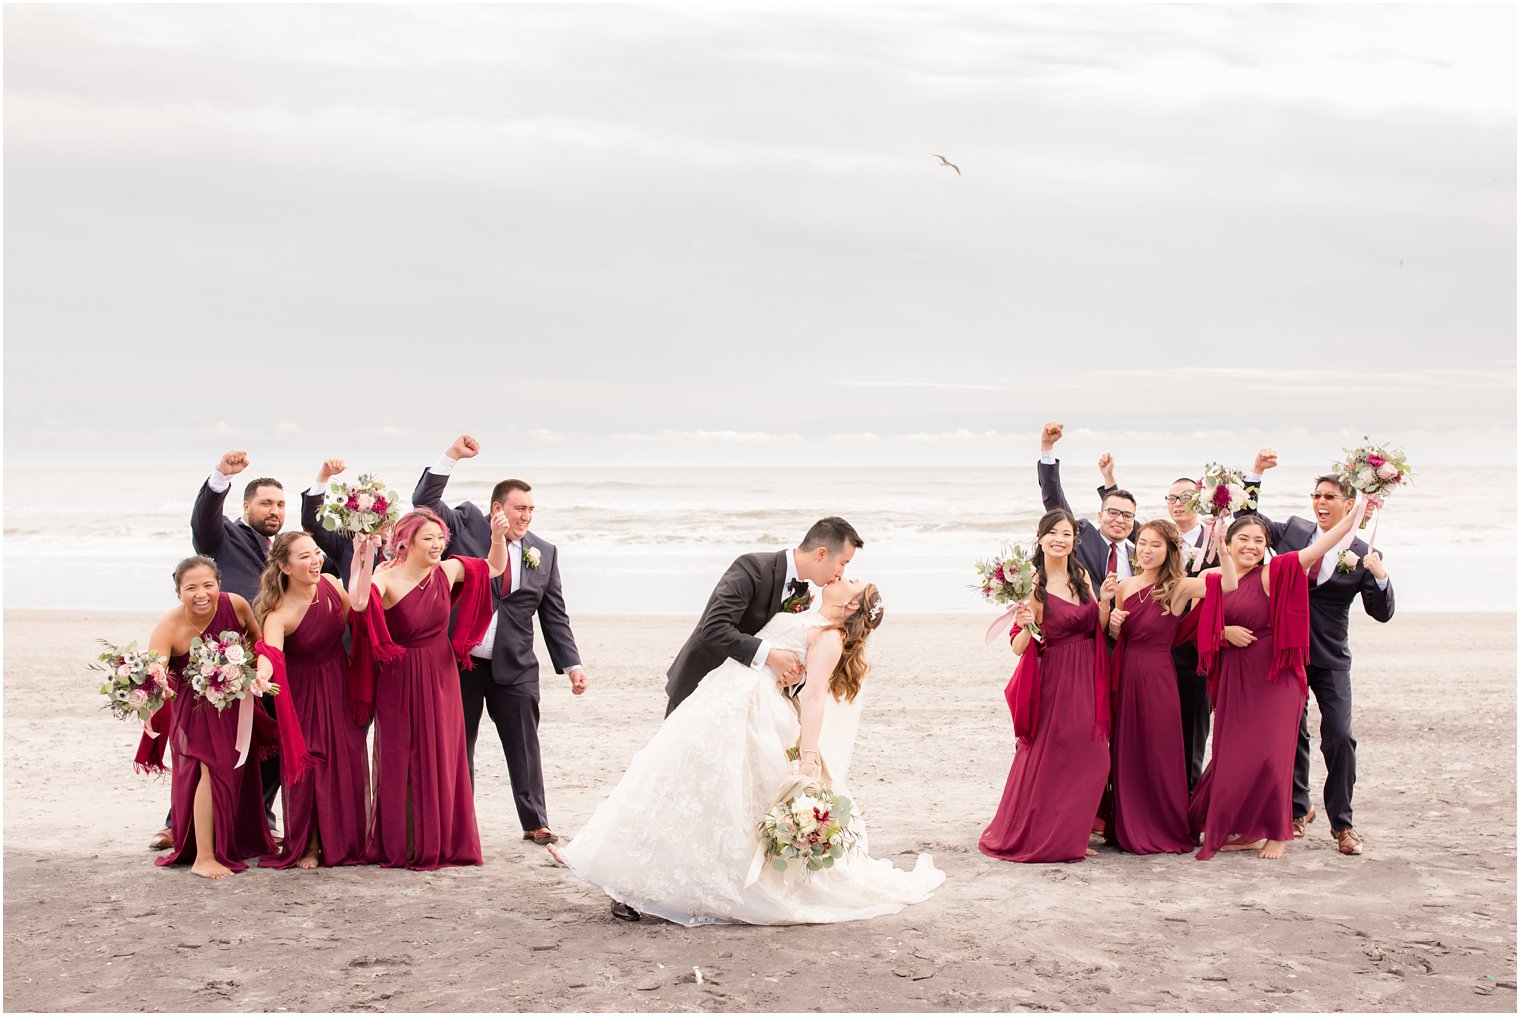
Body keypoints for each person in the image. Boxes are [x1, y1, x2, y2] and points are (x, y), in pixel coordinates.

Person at [554, 578, 943, 925]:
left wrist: (808, 757)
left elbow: (813, 698)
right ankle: (614, 864)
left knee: (726, 801)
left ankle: (665, 884)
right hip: (719, 699)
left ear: (854, 605)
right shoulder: (804, 611)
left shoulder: (829, 637)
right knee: (672, 780)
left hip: (755, 714)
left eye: (853, 580)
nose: (843, 575)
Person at [409, 435, 591, 846]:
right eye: (518, 508)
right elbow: (423, 503)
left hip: (516, 666)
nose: (525, 516)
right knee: (458, 745)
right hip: (463, 663)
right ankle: (460, 822)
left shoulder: (543, 551)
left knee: (524, 745)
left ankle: (535, 821)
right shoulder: (466, 524)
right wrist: (451, 457)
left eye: (530, 509)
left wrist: (573, 665)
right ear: (498, 509)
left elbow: (554, 614)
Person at [1184, 505, 1361, 860]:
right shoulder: (1215, 578)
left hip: (1274, 679)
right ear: (1228, 543)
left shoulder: (1273, 573)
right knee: (1231, 755)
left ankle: (1278, 832)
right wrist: (1222, 632)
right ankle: (1241, 823)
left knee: (1273, 756)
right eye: (1243, 539)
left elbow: (1319, 547)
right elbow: (1193, 629)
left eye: (1259, 540)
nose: (1251, 546)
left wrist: (1353, 516)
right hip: (1236, 679)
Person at [1238, 458, 1395, 856]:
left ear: (1350, 504)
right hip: (1284, 651)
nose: (1321, 503)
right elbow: (1247, 521)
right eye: (1317, 496)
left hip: (1330, 657)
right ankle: (1295, 809)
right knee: (1291, 732)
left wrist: (1379, 576)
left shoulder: (1362, 551)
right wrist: (1255, 475)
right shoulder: (1292, 531)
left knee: (1340, 736)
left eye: (1330, 497)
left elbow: (1381, 612)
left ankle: (1343, 824)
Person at [1102, 449, 1280, 791]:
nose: (1177, 503)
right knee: (1137, 742)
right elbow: (1120, 518)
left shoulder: (1209, 542)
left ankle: (1186, 798)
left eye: (1185, 497)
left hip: (1189, 657)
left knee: (1190, 734)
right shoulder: (1146, 551)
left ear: (1199, 501)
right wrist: (1110, 481)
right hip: (1140, 661)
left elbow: (1228, 584)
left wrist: (1223, 543)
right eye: (1171, 498)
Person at [349, 507, 508, 870]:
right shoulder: (385, 577)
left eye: (440, 539)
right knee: (402, 755)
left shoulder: (448, 570)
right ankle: (404, 842)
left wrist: (498, 537)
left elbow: (493, 568)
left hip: (441, 672)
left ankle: (443, 839)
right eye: (429, 539)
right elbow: (359, 601)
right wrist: (363, 554)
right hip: (400, 675)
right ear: (405, 542)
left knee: (442, 752)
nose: (437, 545)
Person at [152, 451, 286, 851]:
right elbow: (204, 523)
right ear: (246, 506)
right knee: (202, 747)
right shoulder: (223, 536)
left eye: (280, 504)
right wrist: (219, 480)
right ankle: (178, 822)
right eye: (265, 502)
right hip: (212, 662)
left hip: (264, 658)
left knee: (269, 743)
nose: (273, 510)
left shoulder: (283, 550)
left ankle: (259, 817)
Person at [979, 509, 1114, 863]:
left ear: (1074, 540)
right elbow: (1018, 647)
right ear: (1040, 539)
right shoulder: (1033, 586)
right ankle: (1054, 835)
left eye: (1067, 533)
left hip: (1088, 670)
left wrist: (1108, 605)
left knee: (1094, 758)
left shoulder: (1081, 575)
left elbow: (1093, 625)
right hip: (1056, 677)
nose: (1060, 539)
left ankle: (1071, 830)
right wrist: (1026, 624)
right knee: (1054, 756)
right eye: (1053, 533)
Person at [140, 557, 277, 878]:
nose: (201, 594)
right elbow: (156, 668)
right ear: (178, 593)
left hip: (232, 706)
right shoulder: (169, 627)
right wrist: (155, 675)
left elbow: (258, 644)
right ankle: (203, 856)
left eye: (208, 585)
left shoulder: (237, 605)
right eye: (191, 588)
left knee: (231, 773)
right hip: (191, 711)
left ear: (219, 585)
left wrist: (257, 673)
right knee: (206, 770)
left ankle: (230, 840)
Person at [252, 532, 376, 868]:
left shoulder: (333, 585)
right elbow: (270, 651)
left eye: (316, 552)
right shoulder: (278, 614)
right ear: (284, 566)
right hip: (303, 692)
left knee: (346, 760)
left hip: (340, 682)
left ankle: (346, 841)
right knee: (311, 766)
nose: (315, 560)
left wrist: (367, 560)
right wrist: (262, 675)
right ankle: (308, 845)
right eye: (304, 556)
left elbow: (362, 615)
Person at [665, 516, 864, 716]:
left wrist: (793, 678)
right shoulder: (752, 567)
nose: (841, 573)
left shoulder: (802, 594)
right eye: (842, 563)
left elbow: (790, 646)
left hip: (743, 701)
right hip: (699, 683)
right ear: (821, 553)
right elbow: (715, 628)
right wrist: (770, 656)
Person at [1105, 519, 1194, 854]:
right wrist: (1113, 624)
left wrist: (1221, 539)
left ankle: (1164, 824)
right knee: (1127, 749)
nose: (1146, 550)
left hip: (1159, 673)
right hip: (1127, 671)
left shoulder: (1180, 585)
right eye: (1142, 542)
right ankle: (1129, 824)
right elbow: (1118, 637)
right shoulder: (1124, 586)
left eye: (1156, 544)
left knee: (1159, 749)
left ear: (1170, 549)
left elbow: (1226, 587)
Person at [1035, 423, 1135, 584]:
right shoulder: (1082, 538)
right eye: (1113, 513)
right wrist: (1047, 447)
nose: (1120, 520)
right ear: (1100, 516)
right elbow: (1054, 501)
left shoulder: (1140, 553)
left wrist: (1109, 477)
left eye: (1127, 515)